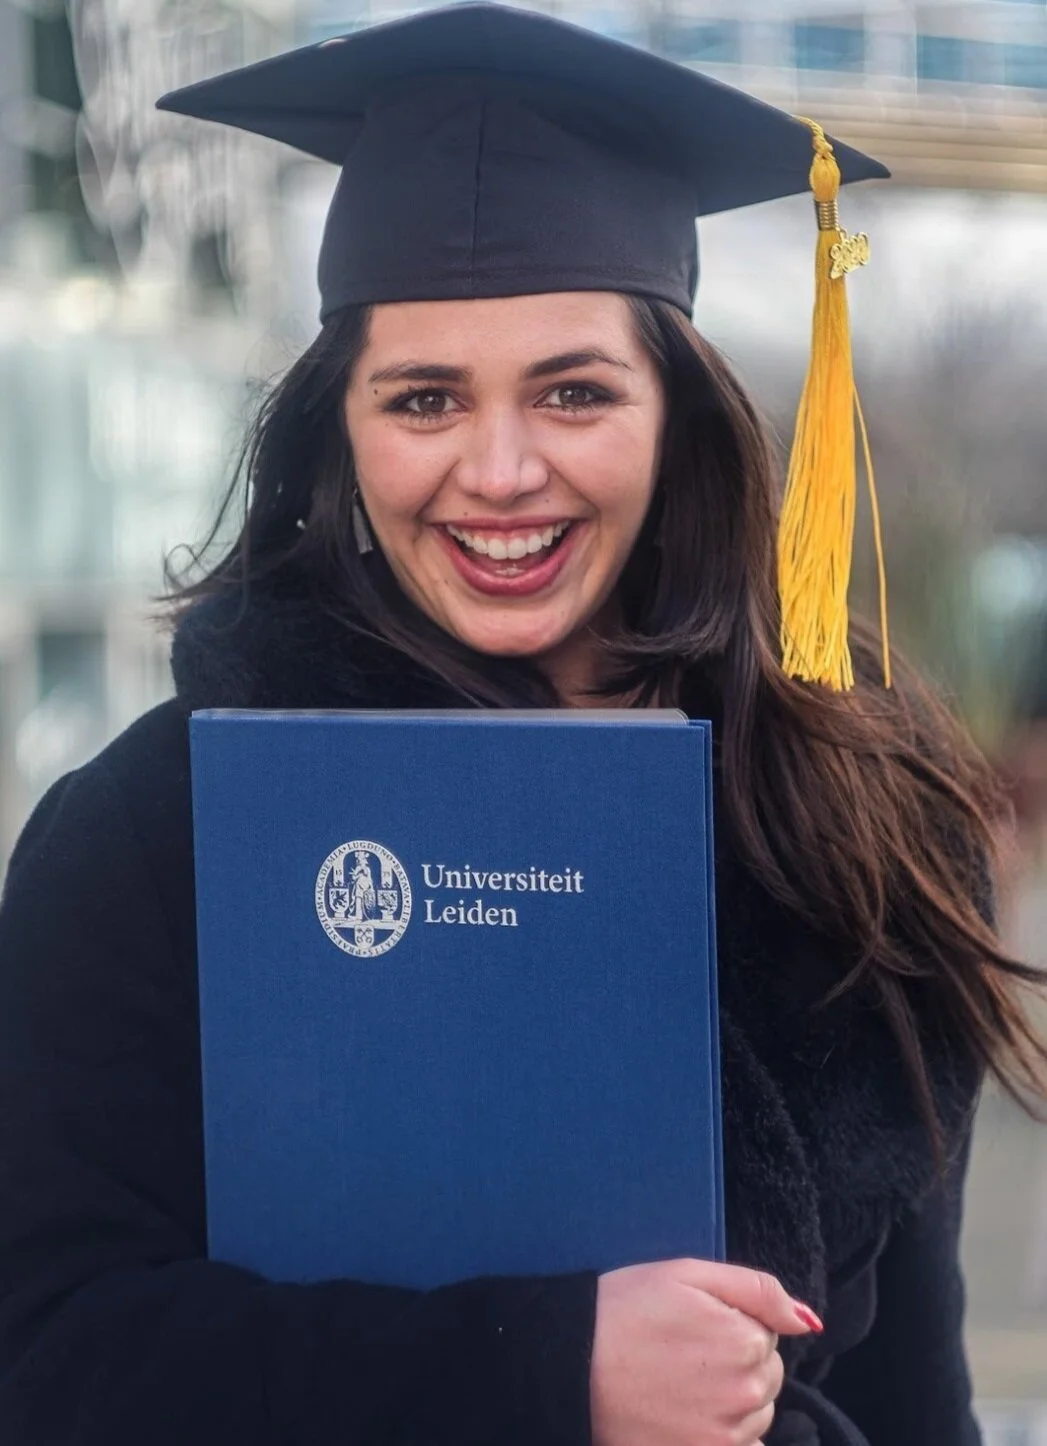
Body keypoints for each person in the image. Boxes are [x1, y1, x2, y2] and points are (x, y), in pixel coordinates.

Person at [0, 6, 1044, 1445]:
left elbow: (911, 1393)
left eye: (574, 392)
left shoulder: (859, 813)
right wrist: (545, 1367)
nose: (499, 472)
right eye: (424, 399)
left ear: (676, 412)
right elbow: (46, 1356)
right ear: (339, 428)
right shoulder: (153, 831)